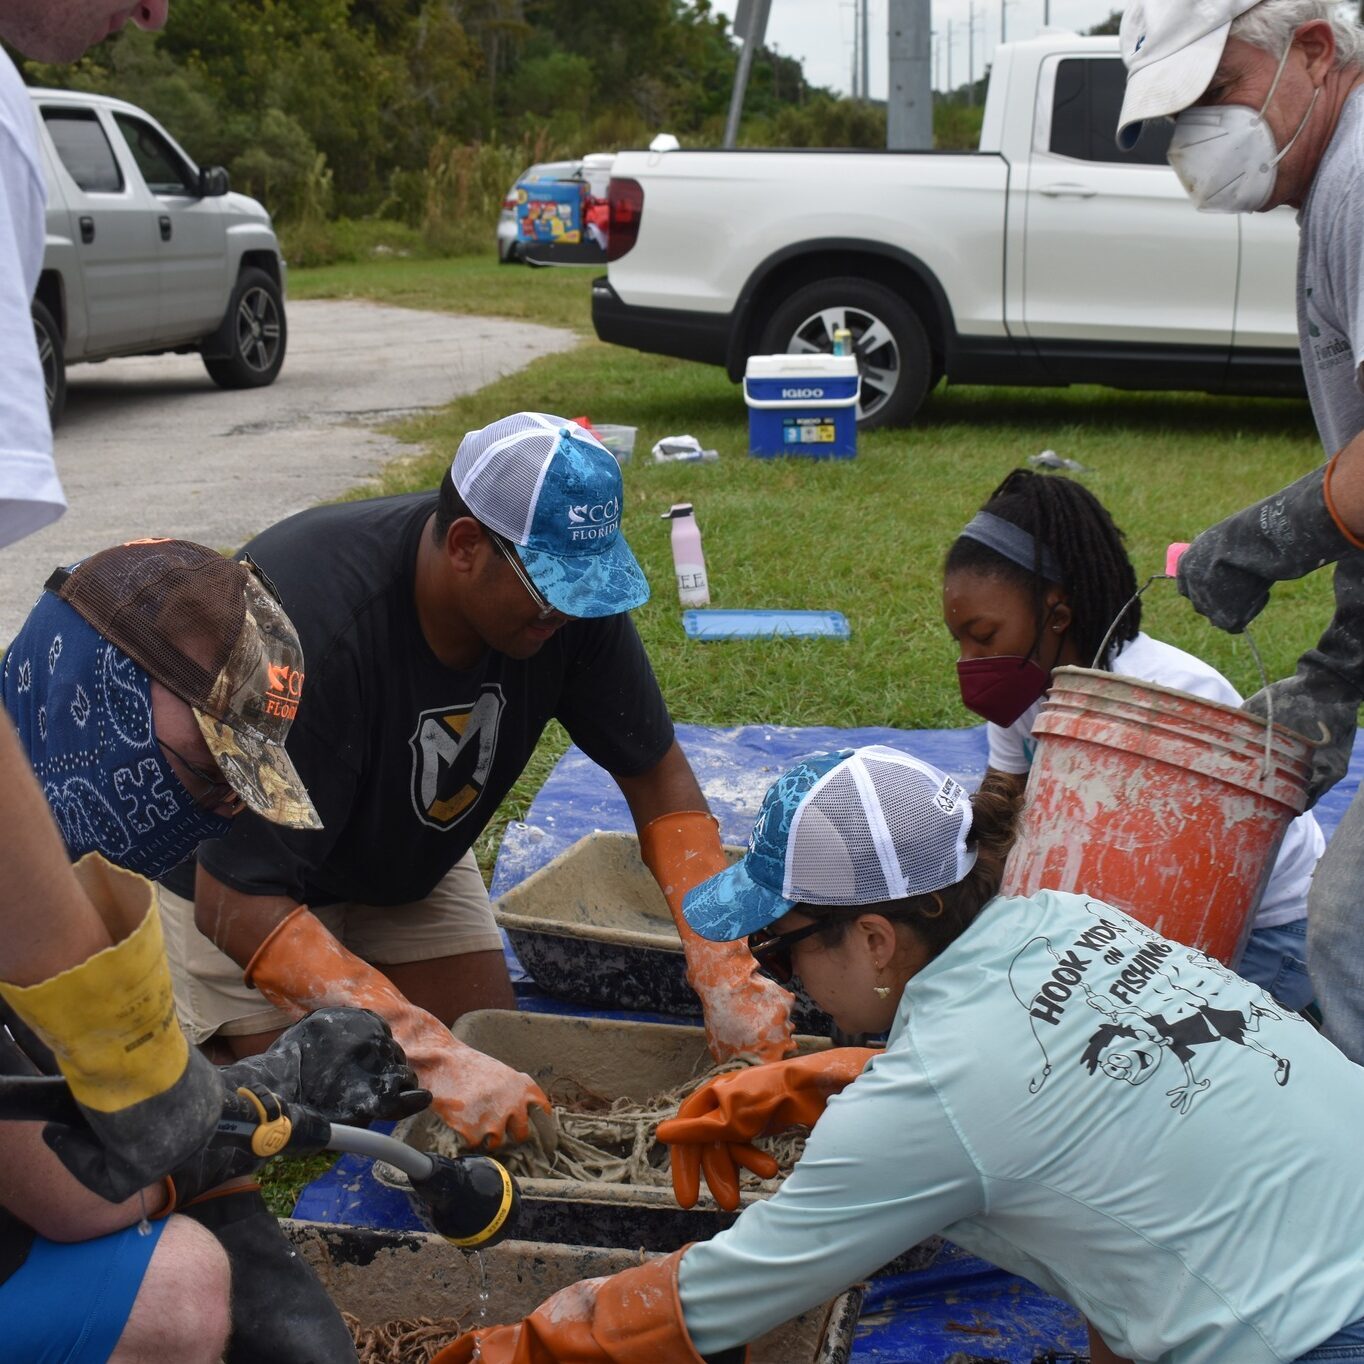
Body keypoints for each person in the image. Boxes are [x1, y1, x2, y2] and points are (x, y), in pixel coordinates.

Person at [435, 745, 1364, 1364]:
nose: (786, 985)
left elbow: (721, 1294)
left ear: (875, 939)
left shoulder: (937, 1105)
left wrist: (524, 1348)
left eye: (780, 949)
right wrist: (818, 1074)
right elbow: (1050, 1100)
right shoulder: (1070, 919)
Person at [157, 411, 796, 1151]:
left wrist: (725, 966)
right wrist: (434, 1056)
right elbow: (232, 898)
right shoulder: (304, 627)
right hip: (247, 882)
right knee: (348, 1100)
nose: (571, 609)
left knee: (497, 1067)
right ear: (465, 546)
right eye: (552, 588)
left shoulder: (568, 603)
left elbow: (658, 781)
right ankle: (169, 1014)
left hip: (402, 854)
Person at [0, 537, 407, 1363]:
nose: (215, 813)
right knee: (174, 1289)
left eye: (237, 793)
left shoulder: (84, 883)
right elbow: (73, 1194)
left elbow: (154, 1137)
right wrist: (266, 1091)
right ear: (89, 689)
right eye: (205, 769)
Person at [1117, 0, 1364, 1058]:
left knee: (1350, 930)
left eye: (1216, 93)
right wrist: (1343, 661)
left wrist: (1267, 536)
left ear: (1312, 49)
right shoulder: (1333, 184)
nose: (1201, 139)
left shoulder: (1359, 179)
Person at [943, 468, 1325, 1010]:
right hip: (1132, 921)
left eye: (983, 637)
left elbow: (1180, 891)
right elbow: (1004, 816)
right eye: (960, 641)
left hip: (1264, 933)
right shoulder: (1022, 687)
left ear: (1057, 616)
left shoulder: (1172, 693)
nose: (971, 662)